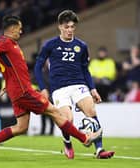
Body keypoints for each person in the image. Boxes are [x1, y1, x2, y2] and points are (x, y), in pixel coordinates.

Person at [0, 15, 102, 161]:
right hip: (24, 92)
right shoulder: (6, 43)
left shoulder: (9, 45)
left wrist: (8, 84)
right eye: (19, 29)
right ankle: (84, 138)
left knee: (21, 127)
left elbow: (4, 65)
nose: (21, 32)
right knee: (55, 112)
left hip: (16, 91)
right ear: (12, 29)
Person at [34, 10, 114, 159]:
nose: (70, 30)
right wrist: (43, 88)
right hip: (59, 88)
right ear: (59, 27)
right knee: (67, 119)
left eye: (72, 27)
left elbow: (85, 69)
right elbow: (37, 67)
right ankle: (67, 143)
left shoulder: (81, 46)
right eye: (66, 27)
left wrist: (93, 89)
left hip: (79, 84)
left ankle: (99, 150)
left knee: (91, 111)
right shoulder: (50, 45)